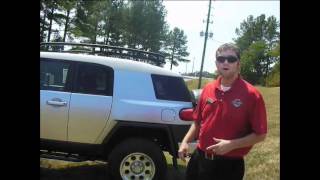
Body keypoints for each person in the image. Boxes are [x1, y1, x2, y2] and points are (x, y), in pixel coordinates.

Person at [178, 43, 267, 180]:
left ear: (238, 64)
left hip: (229, 165)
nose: (225, 62)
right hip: (200, 158)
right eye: (221, 59)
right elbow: (198, 122)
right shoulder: (208, 89)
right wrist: (185, 142)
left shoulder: (252, 95)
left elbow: (260, 135)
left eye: (231, 59)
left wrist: (232, 145)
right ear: (216, 63)